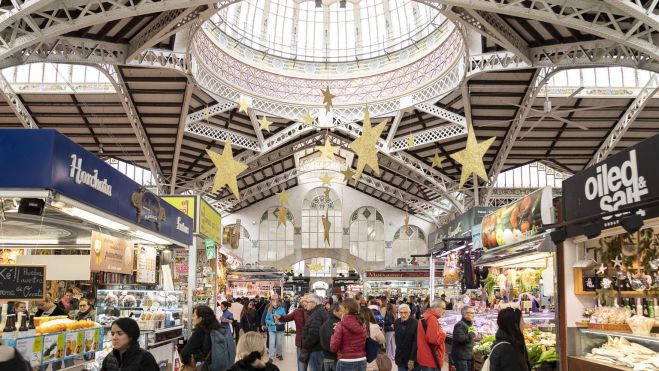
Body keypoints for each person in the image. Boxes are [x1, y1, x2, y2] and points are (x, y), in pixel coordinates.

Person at [330, 298, 367, 371]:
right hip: (362, 360)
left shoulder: (341, 325)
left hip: (346, 361)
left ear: (347, 309)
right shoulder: (362, 324)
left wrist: (333, 335)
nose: (341, 311)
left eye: (342, 308)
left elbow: (333, 348)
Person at [277, 296, 309, 371]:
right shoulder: (297, 312)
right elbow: (287, 318)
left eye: (308, 301)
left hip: (313, 343)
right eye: (304, 301)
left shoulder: (315, 312)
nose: (306, 303)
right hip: (300, 342)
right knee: (301, 365)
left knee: (314, 366)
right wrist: (280, 317)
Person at [416, 300, 446, 371]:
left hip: (424, 356)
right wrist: (443, 333)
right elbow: (433, 339)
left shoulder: (425, 315)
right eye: (443, 308)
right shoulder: (432, 318)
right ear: (436, 307)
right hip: (431, 358)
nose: (444, 311)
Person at [302, 294, 329, 371]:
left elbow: (314, 334)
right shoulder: (319, 312)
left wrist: (305, 344)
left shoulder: (317, 314)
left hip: (316, 350)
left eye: (308, 302)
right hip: (318, 348)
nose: (306, 303)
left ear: (314, 303)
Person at [451, 306, 478, 371]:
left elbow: (468, 336)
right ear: (465, 314)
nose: (473, 315)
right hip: (461, 356)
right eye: (471, 313)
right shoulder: (460, 324)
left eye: (474, 313)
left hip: (467, 355)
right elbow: (461, 339)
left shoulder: (469, 324)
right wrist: (473, 334)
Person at [319, 303, 342, 371]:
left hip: (326, 357)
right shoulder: (339, 325)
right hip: (336, 358)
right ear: (335, 311)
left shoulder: (324, 324)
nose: (343, 313)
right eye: (341, 311)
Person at [394, 304, 417, 371]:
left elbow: (416, 342)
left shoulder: (415, 323)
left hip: (412, 357)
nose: (403, 315)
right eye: (401, 312)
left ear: (409, 313)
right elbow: (397, 340)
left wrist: (412, 359)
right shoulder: (396, 322)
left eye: (405, 312)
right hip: (400, 357)